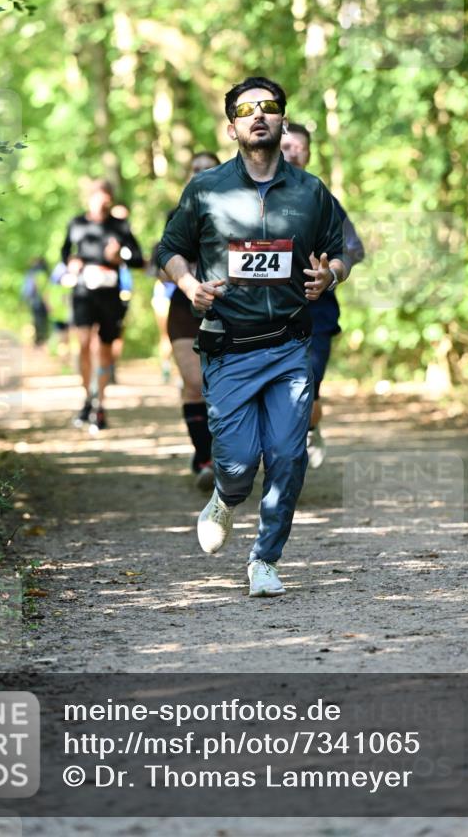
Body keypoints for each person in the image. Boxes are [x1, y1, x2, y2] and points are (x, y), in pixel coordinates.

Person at [156, 76, 345, 598]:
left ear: (282, 118)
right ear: (233, 126)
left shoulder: (310, 192)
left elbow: (340, 250)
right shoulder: (206, 189)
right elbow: (168, 249)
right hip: (229, 347)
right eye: (246, 109)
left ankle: (265, 558)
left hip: (288, 345)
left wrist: (331, 275)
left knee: (288, 456)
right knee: (238, 464)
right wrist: (190, 284)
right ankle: (224, 495)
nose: (258, 115)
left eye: (269, 107)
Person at [281, 123, 365, 467]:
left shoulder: (322, 198)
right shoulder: (249, 198)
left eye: (299, 146)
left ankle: (308, 430)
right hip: (264, 315)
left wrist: (329, 272)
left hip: (316, 315)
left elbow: (353, 248)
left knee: (307, 390)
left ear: (310, 153)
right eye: (285, 146)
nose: (291, 152)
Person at [61, 179, 144, 432]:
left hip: (110, 293)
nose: (103, 201)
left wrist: (120, 256)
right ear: (89, 198)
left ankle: (100, 404)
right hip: (84, 291)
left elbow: (138, 258)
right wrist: (72, 262)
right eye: (98, 196)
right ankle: (88, 397)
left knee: (106, 349)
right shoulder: (77, 224)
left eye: (107, 197)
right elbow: (65, 252)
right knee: (84, 343)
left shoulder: (120, 227)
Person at [161, 151, 220, 491]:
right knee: (194, 381)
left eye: (207, 169)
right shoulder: (177, 214)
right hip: (184, 309)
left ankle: (225, 455)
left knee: (222, 385)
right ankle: (204, 457)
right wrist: (184, 275)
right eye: (194, 170)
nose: (200, 174)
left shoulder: (239, 211)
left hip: (228, 308)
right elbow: (161, 263)